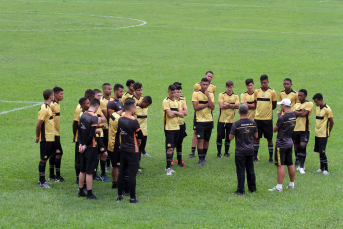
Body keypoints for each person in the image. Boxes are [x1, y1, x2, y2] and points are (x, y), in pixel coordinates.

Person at [117, 98, 145, 203]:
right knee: (132, 173)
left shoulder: (120, 119)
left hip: (123, 148)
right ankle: (132, 198)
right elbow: (140, 135)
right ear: (132, 108)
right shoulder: (133, 121)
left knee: (122, 172)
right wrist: (138, 139)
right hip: (133, 149)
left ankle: (120, 196)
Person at [229, 104, 258, 195]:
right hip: (250, 150)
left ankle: (240, 190)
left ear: (239, 112)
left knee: (241, 171)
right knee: (250, 170)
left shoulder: (236, 124)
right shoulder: (253, 123)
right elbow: (256, 136)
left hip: (240, 151)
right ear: (248, 112)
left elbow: (230, 137)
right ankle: (252, 189)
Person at [268, 98, 296, 192]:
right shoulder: (293, 116)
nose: (280, 106)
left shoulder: (282, 118)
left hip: (281, 144)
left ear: (284, 105)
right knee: (290, 163)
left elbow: (275, 129)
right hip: (289, 142)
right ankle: (291, 185)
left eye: (281, 105)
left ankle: (279, 187)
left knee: (280, 165)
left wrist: (279, 116)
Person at [77, 98, 101, 199]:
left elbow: (80, 132)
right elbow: (91, 134)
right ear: (97, 106)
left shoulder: (83, 115)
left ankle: (81, 191)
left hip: (82, 146)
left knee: (82, 170)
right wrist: (86, 145)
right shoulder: (94, 117)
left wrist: (80, 144)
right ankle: (90, 194)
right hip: (91, 146)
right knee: (90, 171)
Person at [189, 71, 216, 159]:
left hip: (208, 118)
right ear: (200, 84)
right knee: (198, 135)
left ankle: (203, 156)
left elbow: (212, 107)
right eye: (203, 84)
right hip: (199, 118)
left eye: (206, 84)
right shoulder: (196, 90)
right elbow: (196, 107)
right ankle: (194, 153)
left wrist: (208, 97)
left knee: (206, 139)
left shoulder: (212, 91)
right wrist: (206, 104)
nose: (205, 86)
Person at [253, 74, 277, 164]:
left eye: (265, 82)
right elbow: (256, 103)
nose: (263, 84)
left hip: (268, 119)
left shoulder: (272, 92)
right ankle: (255, 157)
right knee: (256, 137)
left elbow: (274, 105)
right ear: (260, 82)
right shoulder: (256, 91)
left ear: (268, 82)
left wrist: (267, 112)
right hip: (257, 118)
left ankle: (270, 158)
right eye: (262, 83)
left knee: (269, 138)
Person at [72, 89, 95, 184]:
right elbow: (75, 123)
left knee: (86, 160)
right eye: (89, 101)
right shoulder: (79, 110)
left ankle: (83, 180)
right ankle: (79, 179)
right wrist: (75, 136)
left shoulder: (90, 111)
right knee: (79, 159)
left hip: (87, 139)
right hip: (81, 139)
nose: (90, 103)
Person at [35, 89, 55, 189]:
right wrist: (37, 136)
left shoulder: (48, 107)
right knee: (43, 159)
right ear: (50, 97)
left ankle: (42, 179)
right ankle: (41, 181)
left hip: (50, 137)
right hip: (45, 138)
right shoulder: (44, 109)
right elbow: (39, 125)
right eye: (53, 95)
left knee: (45, 158)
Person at [163, 85, 185, 175]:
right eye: (172, 92)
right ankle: (168, 167)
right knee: (170, 148)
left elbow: (183, 115)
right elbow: (169, 115)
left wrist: (174, 112)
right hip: (169, 128)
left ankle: (169, 167)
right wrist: (177, 113)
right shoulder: (165, 101)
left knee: (174, 147)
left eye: (175, 92)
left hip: (177, 128)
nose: (173, 94)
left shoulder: (177, 102)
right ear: (168, 92)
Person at [217, 80, 239, 158]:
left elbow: (238, 106)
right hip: (222, 120)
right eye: (228, 87)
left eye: (231, 87)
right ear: (226, 87)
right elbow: (221, 106)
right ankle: (219, 153)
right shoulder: (221, 95)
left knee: (228, 137)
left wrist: (227, 103)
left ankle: (226, 152)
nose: (229, 89)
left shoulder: (235, 96)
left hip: (231, 120)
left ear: (233, 87)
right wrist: (232, 105)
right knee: (220, 136)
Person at [292, 89, 313, 174]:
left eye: (301, 95)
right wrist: (300, 112)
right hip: (295, 129)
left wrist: (297, 112)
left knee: (303, 147)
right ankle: (298, 163)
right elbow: (294, 115)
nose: (299, 97)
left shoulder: (309, 104)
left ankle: (301, 166)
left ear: (305, 96)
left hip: (304, 129)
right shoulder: (296, 104)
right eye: (298, 95)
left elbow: (304, 114)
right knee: (297, 148)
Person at [312, 93, 334, 175]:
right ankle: (321, 168)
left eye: (316, 102)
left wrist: (329, 131)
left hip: (323, 134)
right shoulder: (318, 108)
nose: (316, 103)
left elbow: (332, 122)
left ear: (321, 100)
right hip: (317, 134)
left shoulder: (328, 109)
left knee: (323, 152)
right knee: (319, 151)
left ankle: (326, 170)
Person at [49, 87, 66, 182]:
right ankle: (58, 176)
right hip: (54, 133)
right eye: (61, 94)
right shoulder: (52, 105)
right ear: (55, 94)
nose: (62, 96)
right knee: (59, 153)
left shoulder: (57, 104)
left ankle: (52, 175)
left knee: (53, 153)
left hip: (55, 133)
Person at [93, 89, 109, 182]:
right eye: (98, 96)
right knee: (104, 153)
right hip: (95, 135)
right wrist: (98, 118)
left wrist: (98, 118)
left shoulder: (99, 107)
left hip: (101, 134)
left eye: (100, 95)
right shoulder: (91, 107)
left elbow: (104, 118)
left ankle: (98, 174)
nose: (100, 97)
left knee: (99, 154)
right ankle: (102, 173)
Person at [133, 96, 153, 164]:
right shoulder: (134, 108)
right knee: (136, 150)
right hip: (136, 133)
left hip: (144, 133)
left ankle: (138, 165)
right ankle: (135, 165)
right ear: (143, 101)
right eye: (147, 105)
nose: (147, 106)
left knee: (141, 149)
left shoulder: (146, 108)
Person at [173, 83, 188, 168]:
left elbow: (186, 113)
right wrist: (180, 112)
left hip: (181, 124)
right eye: (177, 92)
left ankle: (179, 161)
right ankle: (170, 159)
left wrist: (178, 113)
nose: (179, 94)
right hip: (173, 124)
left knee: (180, 143)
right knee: (173, 143)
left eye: (180, 92)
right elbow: (170, 114)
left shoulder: (183, 99)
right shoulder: (171, 100)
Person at [100, 83, 112, 169]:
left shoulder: (112, 100)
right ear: (103, 90)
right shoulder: (101, 101)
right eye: (108, 89)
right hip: (105, 127)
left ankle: (108, 164)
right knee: (104, 147)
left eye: (111, 89)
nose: (110, 91)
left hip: (112, 127)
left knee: (110, 146)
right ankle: (103, 166)